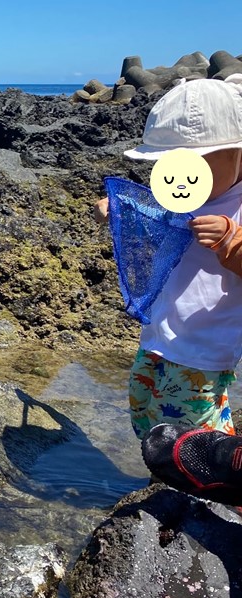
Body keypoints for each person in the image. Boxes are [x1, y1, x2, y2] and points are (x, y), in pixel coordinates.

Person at [93, 79, 242, 440]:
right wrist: (119, 210)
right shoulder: (181, 196)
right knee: (146, 417)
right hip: (157, 334)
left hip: (202, 348)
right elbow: (155, 222)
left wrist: (231, 239)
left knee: (194, 436)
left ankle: (221, 474)